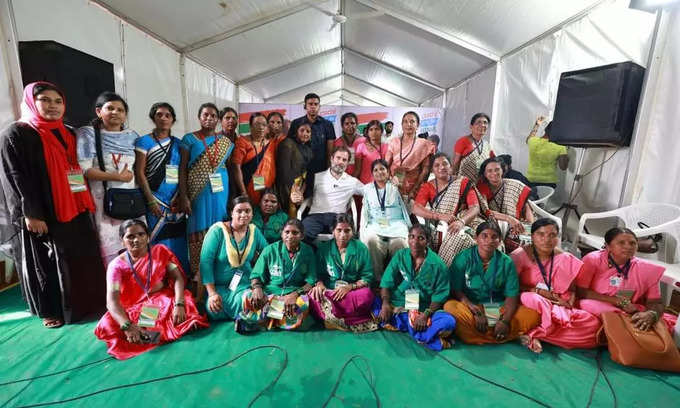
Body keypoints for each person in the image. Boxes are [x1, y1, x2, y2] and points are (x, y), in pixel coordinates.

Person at [0, 82, 106, 328]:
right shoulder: (15, 134)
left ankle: (87, 304)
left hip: (74, 205)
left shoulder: (68, 131)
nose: (52, 106)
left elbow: (75, 168)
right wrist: (30, 213)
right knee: (48, 262)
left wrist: (82, 199)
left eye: (58, 101)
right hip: (43, 212)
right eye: (45, 100)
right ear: (31, 103)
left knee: (81, 256)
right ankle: (52, 310)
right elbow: (14, 178)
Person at [94, 220, 208, 360]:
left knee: (180, 304)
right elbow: (112, 302)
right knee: (108, 325)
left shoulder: (160, 251)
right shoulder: (116, 266)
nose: (136, 239)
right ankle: (150, 334)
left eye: (141, 234)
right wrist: (127, 326)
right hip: (132, 308)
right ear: (122, 241)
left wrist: (179, 304)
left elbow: (178, 278)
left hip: (159, 302)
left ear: (147, 237)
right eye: (130, 236)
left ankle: (149, 335)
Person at [511, 219, 600, 353]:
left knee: (592, 323)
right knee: (535, 299)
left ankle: (536, 333)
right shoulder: (519, 256)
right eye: (541, 234)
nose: (547, 239)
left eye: (552, 235)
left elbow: (571, 289)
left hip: (555, 303)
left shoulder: (564, 257)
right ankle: (543, 331)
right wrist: (538, 291)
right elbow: (510, 288)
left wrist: (568, 302)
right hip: (527, 300)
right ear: (532, 236)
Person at [444, 222, 540, 345]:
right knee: (450, 307)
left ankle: (481, 336)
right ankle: (501, 335)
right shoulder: (463, 258)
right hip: (470, 307)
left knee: (533, 315)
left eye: (494, 237)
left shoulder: (506, 262)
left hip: (496, 308)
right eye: (484, 236)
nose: (489, 240)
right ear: (476, 238)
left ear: (500, 240)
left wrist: (504, 321)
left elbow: (512, 295)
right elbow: (456, 290)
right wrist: (474, 310)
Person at [76, 92, 139, 264]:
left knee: (134, 241)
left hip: (130, 198)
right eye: (110, 108)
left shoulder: (132, 136)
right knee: (109, 248)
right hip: (102, 199)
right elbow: (85, 170)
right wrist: (116, 176)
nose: (115, 113)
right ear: (98, 112)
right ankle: (114, 285)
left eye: (120, 110)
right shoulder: (87, 134)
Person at [576, 227, 677, 333]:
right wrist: (618, 301)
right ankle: (622, 325)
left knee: (663, 324)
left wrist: (651, 315)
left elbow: (655, 302)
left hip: (631, 310)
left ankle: (623, 326)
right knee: (586, 305)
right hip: (597, 304)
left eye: (632, 243)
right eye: (621, 243)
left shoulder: (645, 269)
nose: (628, 246)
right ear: (608, 246)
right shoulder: (593, 260)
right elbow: (581, 291)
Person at [178, 103, 234, 289]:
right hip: (197, 190)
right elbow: (182, 169)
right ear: (199, 117)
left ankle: (217, 269)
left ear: (218, 119)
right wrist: (184, 196)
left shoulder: (225, 140)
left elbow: (231, 167)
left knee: (218, 224)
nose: (209, 119)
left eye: (212, 116)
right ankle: (197, 272)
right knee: (197, 224)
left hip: (220, 187)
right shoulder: (188, 139)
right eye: (205, 115)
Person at [374, 224, 456, 351]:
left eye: (420, 238)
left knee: (448, 321)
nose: (414, 242)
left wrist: (425, 316)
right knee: (370, 300)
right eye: (411, 237)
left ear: (428, 241)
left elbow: (439, 296)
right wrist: (385, 304)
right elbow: (386, 282)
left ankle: (411, 326)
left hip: (423, 309)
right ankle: (417, 330)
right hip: (399, 303)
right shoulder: (401, 255)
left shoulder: (439, 266)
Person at [134, 102, 189, 273]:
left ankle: (180, 279)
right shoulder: (144, 141)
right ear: (153, 118)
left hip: (175, 203)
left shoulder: (180, 145)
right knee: (156, 242)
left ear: (173, 120)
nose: (164, 118)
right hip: (154, 202)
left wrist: (182, 196)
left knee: (177, 241)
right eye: (159, 115)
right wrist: (151, 201)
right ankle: (158, 279)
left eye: (168, 115)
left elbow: (183, 172)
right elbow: (139, 172)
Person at [236, 219, 317, 332]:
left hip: (293, 293)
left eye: (295, 233)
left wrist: (295, 294)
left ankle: (260, 321)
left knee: (303, 304)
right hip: (270, 292)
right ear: (281, 233)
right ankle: (276, 320)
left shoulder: (308, 251)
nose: (290, 236)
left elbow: (311, 281)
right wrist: (257, 288)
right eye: (287, 232)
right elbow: (256, 274)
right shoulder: (270, 250)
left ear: (302, 236)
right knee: (248, 296)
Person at [200, 196, 268, 321]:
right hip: (219, 288)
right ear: (231, 213)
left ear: (252, 213)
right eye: (239, 211)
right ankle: (248, 317)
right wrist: (212, 293)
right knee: (214, 310)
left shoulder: (254, 231)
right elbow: (206, 263)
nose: (244, 214)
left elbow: (268, 255)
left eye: (248, 211)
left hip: (244, 286)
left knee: (250, 301)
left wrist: (258, 282)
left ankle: (248, 315)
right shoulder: (217, 231)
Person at [309, 214, 377, 332]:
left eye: (347, 231)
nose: (343, 235)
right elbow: (317, 275)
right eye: (339, 230)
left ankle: (332, 317)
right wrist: (320, 285)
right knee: (312, 296)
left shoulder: (361, 249)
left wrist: (349, 287)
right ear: (333, 231)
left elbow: (367, 276)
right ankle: (351, 318)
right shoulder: (324, 249)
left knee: (366, 295)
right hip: (330, 292)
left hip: (352, 292)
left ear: (353, 232)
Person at [412, 152, 482, 265]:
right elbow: (416, 208)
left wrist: (461, 222)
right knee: (454, 237)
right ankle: (441, 272)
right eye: (437, 165)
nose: (441, 167)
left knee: (462, 238)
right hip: (440, 225)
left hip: (464, 223)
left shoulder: (462, 182)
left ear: (450, 167)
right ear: (432, 170)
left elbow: (475, 208)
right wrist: (439, 216)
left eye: (445, 164)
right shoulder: (428, 186)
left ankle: (443, 271)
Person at [298, 146, 364, 243]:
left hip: (338, 217)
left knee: (345, 239)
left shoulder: (352, 182)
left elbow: (369, 191)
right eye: (338, 158)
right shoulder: (317, 177)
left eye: (344, 160)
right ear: (332, 158)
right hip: (316, 216)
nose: (340, 162)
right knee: (301, 235)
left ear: (348, 163)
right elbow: (303, 192)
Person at [360, 159, 410, 280]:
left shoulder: (396, 185)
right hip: (376, 224)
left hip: (396, 224)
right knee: (371, 240)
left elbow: (406, 197)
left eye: (382, 169)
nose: (379, 172)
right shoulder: (367, 189)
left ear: (388, 172)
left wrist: (401, 186)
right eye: (375, 170)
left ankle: (397, 280)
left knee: (400, 243)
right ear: (372, 174)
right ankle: (377, 280)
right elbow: (365, 211)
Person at [476, 157, 534, 245]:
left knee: (530, 241)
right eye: (489, 171)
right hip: (494, 223)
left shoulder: (514, 185)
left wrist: (529, 227)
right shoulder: (481, 188)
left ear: (503, 170)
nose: (494, 173)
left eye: (497, 169)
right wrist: (509, 219)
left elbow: (526, 208)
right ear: (484, 174)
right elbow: (485, 211)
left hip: (517, 223)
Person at [232, 112, 285, 204]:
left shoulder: (271, 143)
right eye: (257, 124)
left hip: (267, 191)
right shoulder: (243, 142)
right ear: (251, 126)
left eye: (264, 125)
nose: (261, 128)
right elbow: (236, 167)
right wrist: (243, 192)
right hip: (248, 189)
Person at [386, 111, 435, 205]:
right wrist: (391, 182)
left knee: (410, 214)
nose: (408, 124)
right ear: (401, 124)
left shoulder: (424, 144)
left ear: (418, 125)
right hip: (394, 184)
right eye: (405, 121)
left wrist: (415, 190)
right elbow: (386, 164)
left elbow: (425, 170)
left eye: (412, 121)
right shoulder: (394, 142)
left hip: (414, 186)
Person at [287, 93, 336, 176]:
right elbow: (290, 147)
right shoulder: (296, 123)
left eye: (316, 104)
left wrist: (328, 171)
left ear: (319, 106)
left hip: (321, 170)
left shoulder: (327, 125)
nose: (313, 106)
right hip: (300, 170)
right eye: (310, 104)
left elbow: (330, 151)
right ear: (305, 106)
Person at [276, 122, 313, 217]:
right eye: (302, 130)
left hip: (300, 187)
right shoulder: (287, 144)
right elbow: (284, 173)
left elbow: (307, 172)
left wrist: (301, 191)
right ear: (295, 131)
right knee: (286, 215)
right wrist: (292, 192)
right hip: (286, 187)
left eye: (308, 131)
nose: (305, 133)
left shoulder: (308, 148)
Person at [526, 117, 569, 189]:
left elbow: (529, 138)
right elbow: (563, 167)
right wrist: (566, 156)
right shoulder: (561, 147)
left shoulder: (532, 141)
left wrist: (537, 125)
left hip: (531, 180)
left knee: (533, 200)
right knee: (544, 200)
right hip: (549, 183)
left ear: (546, 129)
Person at [451, 113, 495, 183]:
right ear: (471, 127)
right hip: (463, 184)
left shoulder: (487, 145)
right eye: (478, 122)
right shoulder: (463, 141)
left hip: (481, 184)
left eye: (485, 123)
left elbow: (493, 162)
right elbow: (455, 163)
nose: (482, 125)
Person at [354, 120, 388, 184]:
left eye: (377, 129)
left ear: (381, 131)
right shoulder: (361, 147)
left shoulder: (387, 147)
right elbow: (357, 170)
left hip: (381, 184)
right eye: (371, 129)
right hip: (365, 185)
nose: (374, 132)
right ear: (367, 132)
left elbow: (388, 169)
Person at [333, 112, 366, 176]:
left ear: (357, 125)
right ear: (342, 126)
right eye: (347, 123)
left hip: (361, 181)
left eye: (352, 123)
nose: (350, 126)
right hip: (342, 179)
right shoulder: (337, 143)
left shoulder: (364, 141)